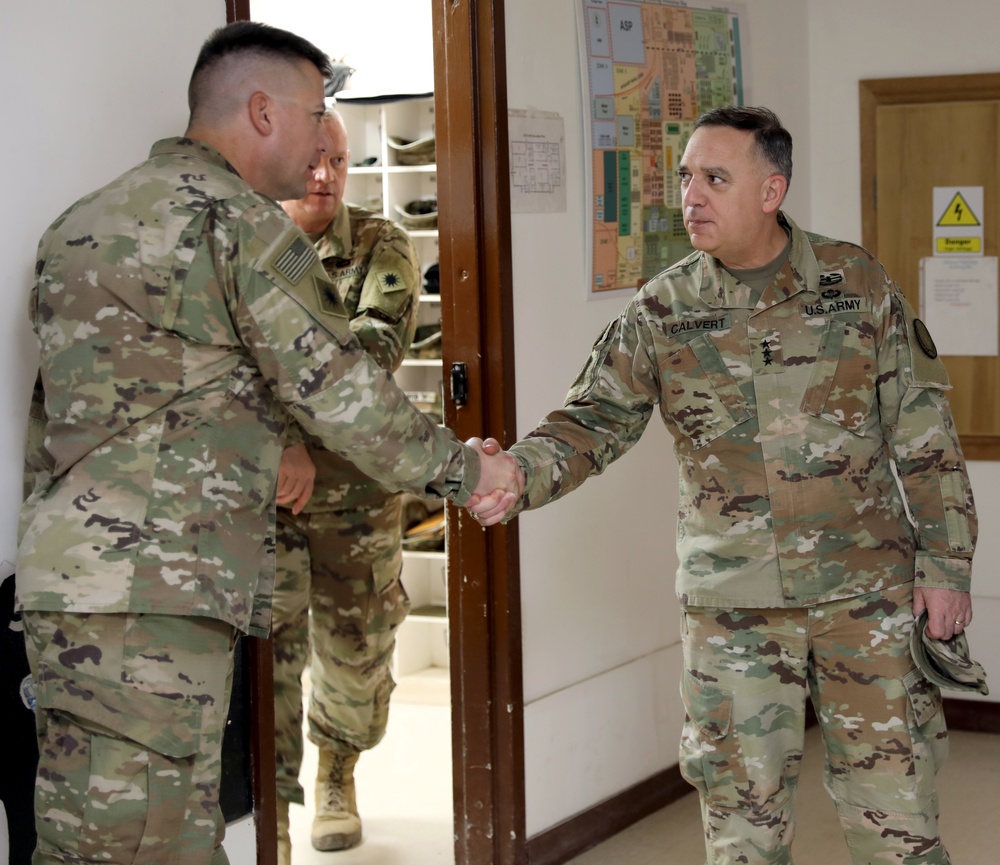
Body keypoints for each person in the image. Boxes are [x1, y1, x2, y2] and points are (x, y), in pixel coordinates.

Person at [16, 22, 516, 865]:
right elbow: (342, 391)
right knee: (148, 842)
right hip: (161, 593)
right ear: (260, 112)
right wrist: (468, 472)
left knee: (103, 833)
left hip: (72, 582)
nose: (323, 136)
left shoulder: (84, 220)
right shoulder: (239, 226)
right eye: (314, 110)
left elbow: (55, 411)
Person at [472, 106, 976, 864]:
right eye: (685, 178)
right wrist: (515, 473)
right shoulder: (664, 308)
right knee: (742, 829)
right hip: (733, 609)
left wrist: (946, 563)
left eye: (715, 178)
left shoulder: (856, 282)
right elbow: (593, 419)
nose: (691, 197)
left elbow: (922, 428)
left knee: (897, 820)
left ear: (771, 190)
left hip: (863, 595)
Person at [270, 109, 423, 859]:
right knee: (268, 653)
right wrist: (286, 436)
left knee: (356, 649)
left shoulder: (380, 244)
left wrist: (282, 407)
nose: (326, 176)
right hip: (264, 492)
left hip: (355, 497)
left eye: (339, 161)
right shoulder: (247, 240)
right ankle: (268, 813)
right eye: (312, 160)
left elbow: (369, 355)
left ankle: (338, 769)